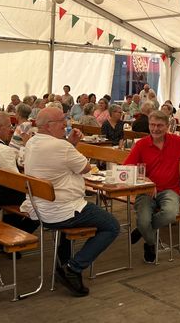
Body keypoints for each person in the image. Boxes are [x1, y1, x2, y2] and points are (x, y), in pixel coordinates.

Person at [23, 107, 119, 296]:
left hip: (38, 208)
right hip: (61, 209)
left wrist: (70, 143)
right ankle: (73, 268)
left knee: (88, 215)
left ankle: (65, 261)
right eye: (62, 120)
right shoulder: (61, 147)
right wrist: (71, 145)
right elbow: (84, 167)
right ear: (50, 126)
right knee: (112, 226)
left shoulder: (32, 142)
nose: (66, 123)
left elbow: (60, 159)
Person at [123, 111, 180, 263]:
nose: (155, 129)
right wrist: (146, 180)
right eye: (152, 125)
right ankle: (150, 243)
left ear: (167, 127)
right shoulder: (141, 144)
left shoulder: (176, 142)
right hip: (146, 191)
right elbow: (127, 168)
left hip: (169, 190)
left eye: (160, 125)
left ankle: (143, 230)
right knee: (143, 220)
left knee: (170, 215)